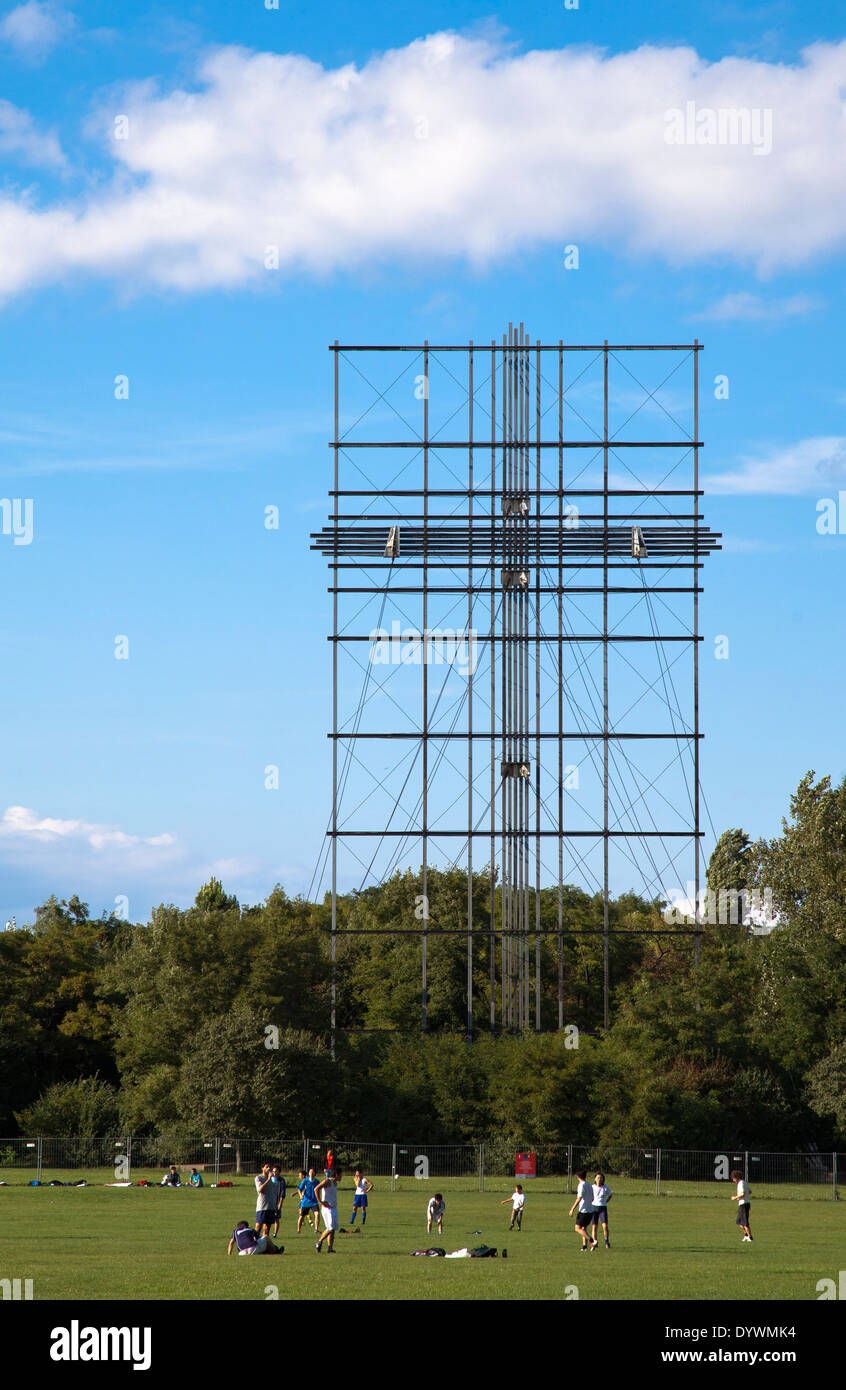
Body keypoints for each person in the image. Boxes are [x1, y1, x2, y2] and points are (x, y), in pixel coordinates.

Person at [568, 1170, 596, 1251]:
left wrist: (572, 1209)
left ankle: (592, 1241)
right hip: (590, 1210)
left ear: (578, 1177)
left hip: (583, 1210)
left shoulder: (581, 1185)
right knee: (584, 1229)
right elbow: (592, 1198)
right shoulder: (589, 1185)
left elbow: (579, 1198)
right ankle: (584, 1246)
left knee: (577, 1228)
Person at [314, 1168, 341, 1253]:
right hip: (327, 1209)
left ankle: (330, 1248)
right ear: (336, 1174)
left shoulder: (335, 1183)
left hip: (333, 1208)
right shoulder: (328, 1181)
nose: (341, 1177)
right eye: (340, 1175)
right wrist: (320, 1202)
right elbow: (316, 1189)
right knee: (330, 1228)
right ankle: (319, 1241)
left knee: (332, 1230)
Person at [730, 1169, 753, 1241]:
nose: (733, 1180)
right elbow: (749, 1191)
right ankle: (746, 1235)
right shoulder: (744, 1182)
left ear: (736, 1177)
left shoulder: (741, 1184)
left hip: (744, 1204)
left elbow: (742, 1194)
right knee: (739, 1221)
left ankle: (750, 1237)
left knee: (745, 1222)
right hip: (743, 1204)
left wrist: (735, 1197)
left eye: (733, 1178)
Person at [591, 1172, 612, 1247]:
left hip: (602, 1208)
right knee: (594, 1226)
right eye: (598, 1178)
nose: (599, 1179)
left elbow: (610, 1195)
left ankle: (606, 1241)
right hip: (594, 1207)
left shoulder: (605, 1187)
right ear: (595, 1179)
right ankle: (595, 1242)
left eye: (601, 1178)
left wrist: (606, 1201)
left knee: (605, 1226)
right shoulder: (592, 1187)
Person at [255, 1163, 275, 1238]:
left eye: (269, 1167)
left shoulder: (272, 1179)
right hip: (262, 1206)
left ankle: (264, 1246)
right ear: (262, 1168)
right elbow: (260, 1189)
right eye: (266, 1167)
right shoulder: (258, 1178)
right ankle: (254, 1244)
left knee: (267, 1229)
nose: (269, 1168)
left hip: (271, 1206)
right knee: (258, 1227)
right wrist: (268, 1179)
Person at [297, 1169, 320, 1233]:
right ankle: (298, 1229)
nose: (311, 1173)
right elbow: (299, 1189)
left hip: (314, 1202)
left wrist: (319, 1199)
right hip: (306, 1202)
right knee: (301, 1216)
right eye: (310, 1172)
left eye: (313, 1172)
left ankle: (316, 1229)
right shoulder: (305, 1180)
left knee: (317, 1214)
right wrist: (300, 1196)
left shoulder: (317, 1182)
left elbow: (319, 1190)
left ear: (315, 1174)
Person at [269, 1165, 286, 1237]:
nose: (274, 1173)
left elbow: (283, 1193)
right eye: (273, 1171)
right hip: (270, 1202)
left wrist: (280, 1204)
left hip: (277, 1201)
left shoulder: (282, 1181)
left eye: (276, 1171)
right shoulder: (270, 1180)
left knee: (276, 1218)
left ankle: (275, 1233)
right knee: (268, 1219)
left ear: (279, 1172)